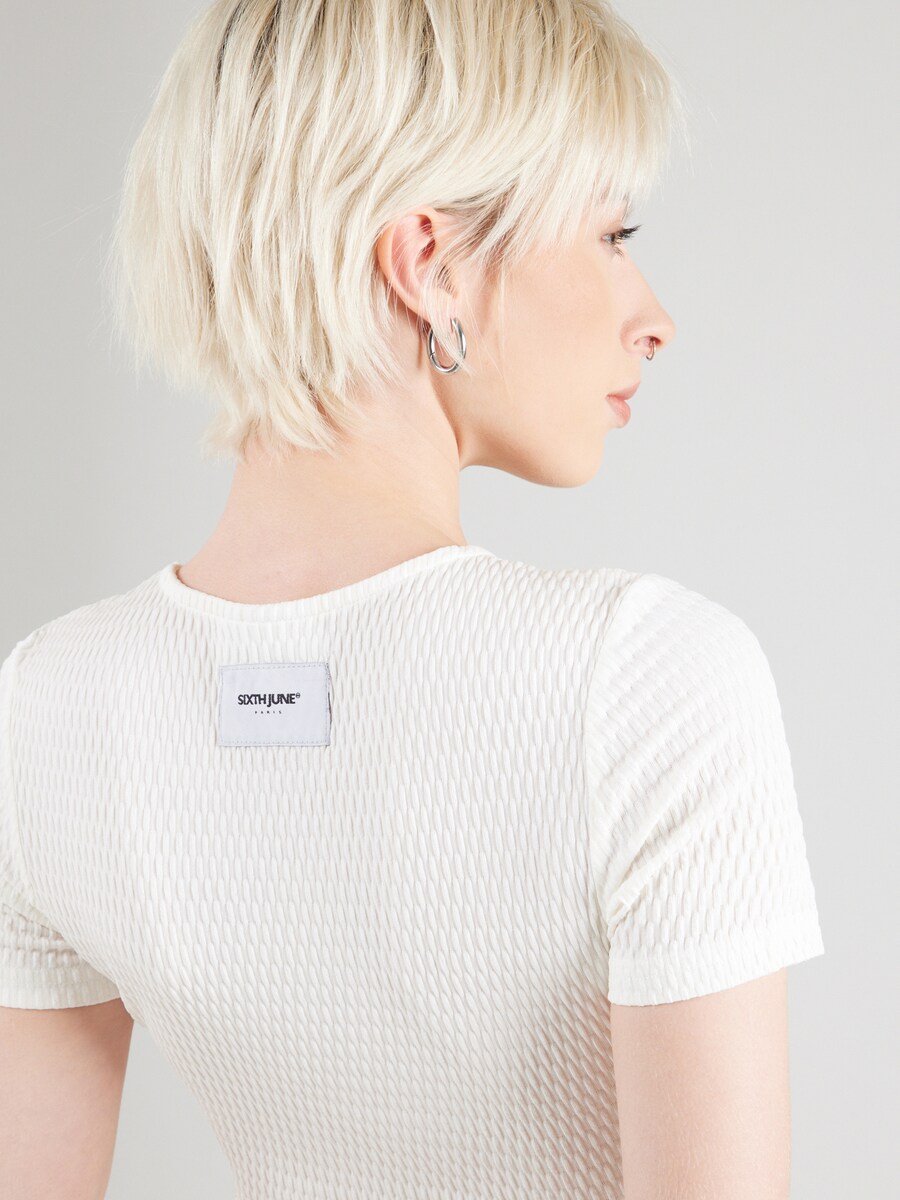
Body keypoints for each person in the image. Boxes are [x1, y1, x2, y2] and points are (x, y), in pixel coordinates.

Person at [0, 2, 824, 1198]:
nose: (654, 316)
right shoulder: (641, 675)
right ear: (428, 264)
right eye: (611, 233)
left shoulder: (47, 706)